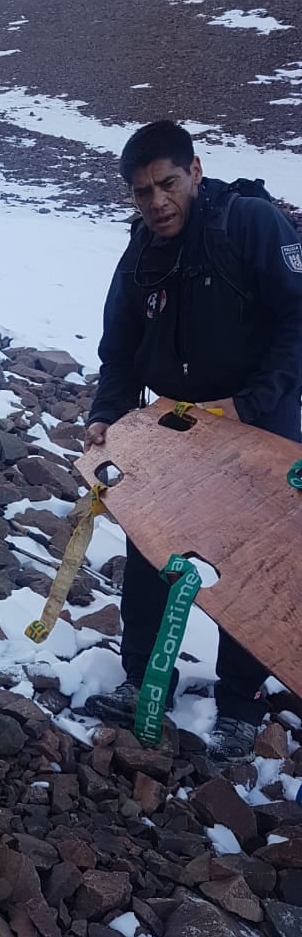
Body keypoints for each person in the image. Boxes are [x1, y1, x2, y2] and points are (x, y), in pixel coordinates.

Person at [83, 120, 302, 764]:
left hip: (257, 432)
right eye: (142, 191)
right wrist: (108, 415)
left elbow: (298, 324)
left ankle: (238, 705)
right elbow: (118, 349)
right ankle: (142, 679)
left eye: (168, 184)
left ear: (196, 172)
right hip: (173, 431)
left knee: (249, 570)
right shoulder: (140, 251)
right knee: (152, 551)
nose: (156, 202)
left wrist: (247, 406)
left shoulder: (251, 226)